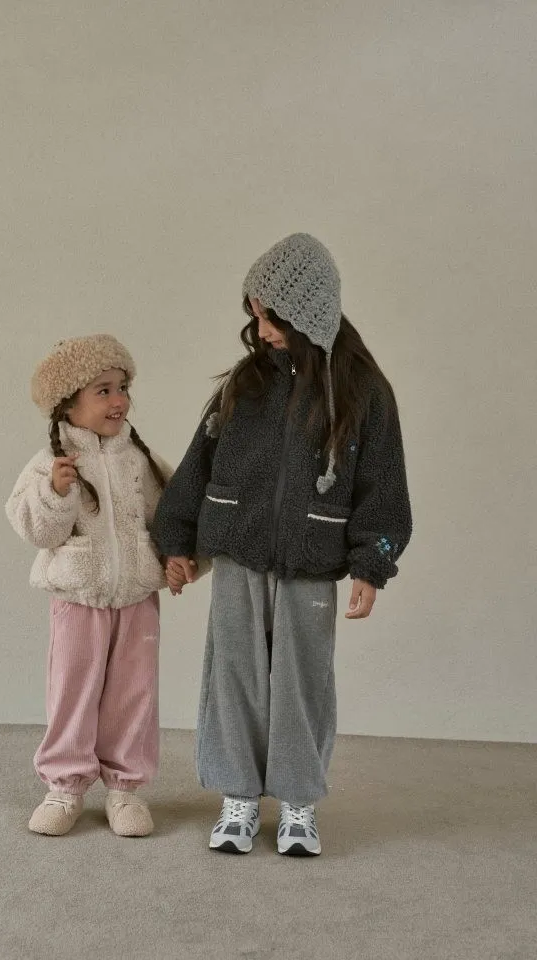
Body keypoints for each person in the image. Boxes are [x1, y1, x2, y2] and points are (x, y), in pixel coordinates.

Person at [153, 233, 412, 856]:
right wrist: (177, 539)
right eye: (257, 315)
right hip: (238, 551)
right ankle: (238, 795)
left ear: (307, 314)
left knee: (302, 681)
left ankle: (298, 800)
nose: (262, 330)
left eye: (272, 317)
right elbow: (199, 462)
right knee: (233, 673)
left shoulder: (364, 394)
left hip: (311, 559)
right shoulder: (243, 386)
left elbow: (383, 484)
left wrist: (371, 564)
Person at [6, 334, 171, 837]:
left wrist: (179, 559)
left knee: (134, 694)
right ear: (68, 403)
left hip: (137, 598)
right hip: (78, 600)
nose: (119, 399)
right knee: (73, 693)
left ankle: (125, 790)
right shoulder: (49, 465)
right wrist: (55, 493)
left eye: (123, 387)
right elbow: (36, 531)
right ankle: (64, 786)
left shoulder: (139, 460)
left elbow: (170, 518)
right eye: (103, 390)